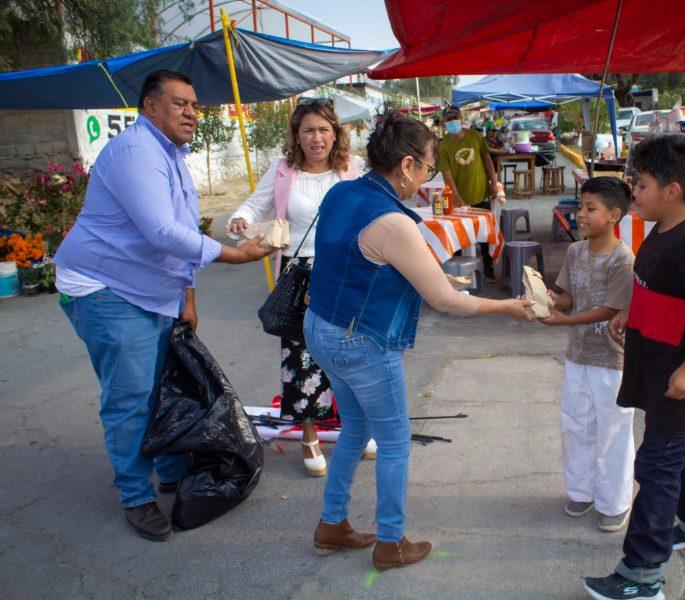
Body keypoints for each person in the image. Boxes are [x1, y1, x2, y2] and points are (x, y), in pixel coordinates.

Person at [304, 110, 533, 571]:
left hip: (322, 327)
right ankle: (390, 543)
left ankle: (332, 524)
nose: (428, 179)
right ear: (406, 165)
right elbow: (446, 300)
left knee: (354, 429)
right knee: (393, 442)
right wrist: (506, 306)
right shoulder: (392, 221)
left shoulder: (343, 191)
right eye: (428, 167)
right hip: (360, 339)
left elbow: (371, 262)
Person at [54, 70, 274, 542]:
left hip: (151, 290)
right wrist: (234, 255)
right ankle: (136, 495)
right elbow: (162, 232)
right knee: (132, 397)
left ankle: (171, 471)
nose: (192, 112)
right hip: (104, 287)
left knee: (165, 384)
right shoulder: (136, 151)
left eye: (195, 104)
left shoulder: (172, 154)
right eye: (180, 104)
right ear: (150, 107)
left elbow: (181, 227)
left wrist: (186, 295)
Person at [583, 135, 685, 600]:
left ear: (672, 191)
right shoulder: (662, 228)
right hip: (659, 365)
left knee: (656, 465)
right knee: (676, 452)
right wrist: (630, 314)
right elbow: (661, 290)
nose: (634, 191)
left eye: (642, 184)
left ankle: (642, 575)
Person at [226, 98, 366, 477]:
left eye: (324, 129)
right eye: (309, 130)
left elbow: (373, 213)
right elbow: (254, 206)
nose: (317, 138)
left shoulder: (353, 169)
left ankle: (355, 425)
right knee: (300, 356)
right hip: (299, 273)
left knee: (348, 351)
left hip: (344, 271)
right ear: (297, 135)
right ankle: (308, 435)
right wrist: (240, 220)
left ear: (335, 133)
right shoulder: (283, 169)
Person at [538, 177, 636, 532]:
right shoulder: (575, 251)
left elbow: (611, 309)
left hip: (610, 360)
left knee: (612, 429)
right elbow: (567, 296)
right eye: (580, 207)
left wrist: (564, 320)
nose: (580, 214)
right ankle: (582, 491)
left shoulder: (622, 259)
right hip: (577, 355)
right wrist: (547, 299)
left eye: (589, 208)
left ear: (614, 215)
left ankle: (615, 502)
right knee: (575, 423)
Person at [438, 105, 505, 282]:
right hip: (459, 200)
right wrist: (457, 198)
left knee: (485, 235)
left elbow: (487, 160)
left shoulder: (475, 136)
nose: (453, 122)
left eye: (455, 118)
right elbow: (447, 176)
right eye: (449, 120)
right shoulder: (444, 146)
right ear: (444, 123)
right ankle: (459, 276)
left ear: (461, 118)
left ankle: (489, 270)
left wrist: (493, 183)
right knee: (459, 238)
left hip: (481, 194)